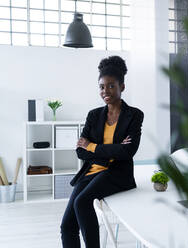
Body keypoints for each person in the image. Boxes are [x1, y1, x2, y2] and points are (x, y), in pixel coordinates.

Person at [60, 55, 144, 248]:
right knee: (67, 227)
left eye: (111, 85)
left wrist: (92, 146)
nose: (105, 91)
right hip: (90, 172)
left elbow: (128, 151)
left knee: (82, 203)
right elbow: (80, 153)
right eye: (101, 87)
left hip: (117, 174)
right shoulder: (94, 115)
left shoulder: (134, 115)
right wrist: (113, 149)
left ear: (122, 87)